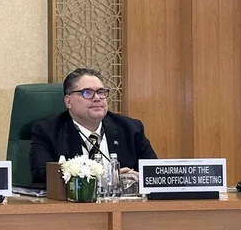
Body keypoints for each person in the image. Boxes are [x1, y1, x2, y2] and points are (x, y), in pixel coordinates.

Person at [29, 68, 157, 184]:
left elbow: (155, 174)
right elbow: (41, 176)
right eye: (87, 93)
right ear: (68, 101)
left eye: (101, 92)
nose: (97, 98)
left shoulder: (130, 129)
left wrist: (135, 178)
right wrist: (105, 178)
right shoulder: (48, 131)